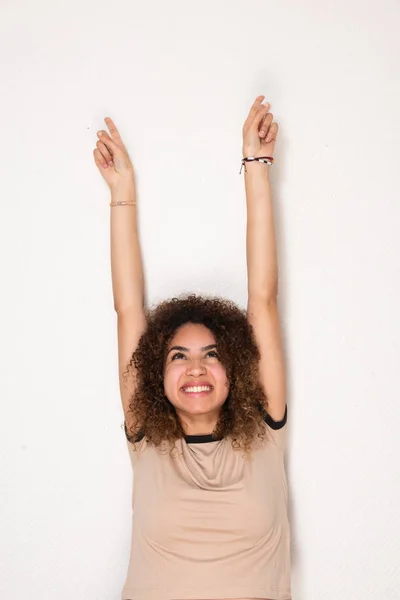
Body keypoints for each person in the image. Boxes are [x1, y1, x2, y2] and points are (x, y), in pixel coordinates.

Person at [93, 95, 291, 600]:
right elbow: (128, 308)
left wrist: (256, 166)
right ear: (157, 373)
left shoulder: (264, 429)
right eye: (178, 355)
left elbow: (263, 299)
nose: (196, 368)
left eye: (212, 353)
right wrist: (122, 194)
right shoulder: (148, 439)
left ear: (237, 367)